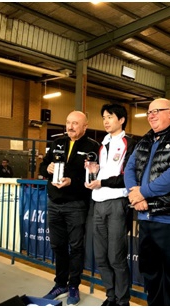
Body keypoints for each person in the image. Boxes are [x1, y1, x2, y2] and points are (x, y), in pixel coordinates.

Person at [124, 98, 170, 306]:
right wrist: (134, 195)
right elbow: (129, 168)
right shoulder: (145, 140)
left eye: (157, 111)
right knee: (151, 276)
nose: (152, 115)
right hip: (145, 219)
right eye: (149, 112)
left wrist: (143, 193)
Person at [39, 111, 100, 306]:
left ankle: (73, 285)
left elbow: (91, 178)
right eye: (68, 122)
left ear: (85, 126)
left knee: (75, 247)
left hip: (76, 205)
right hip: (54, 203)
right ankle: (60, 284)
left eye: (75, 123)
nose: (70, 126)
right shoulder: (57, 142)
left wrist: (72, 182)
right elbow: (42, 167)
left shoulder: (93, 147)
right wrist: (47, 169)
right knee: (57, 246)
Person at [84, 104, 136, 306]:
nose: (106, 121)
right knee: (101, 256)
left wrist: (102, 182)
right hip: (98, 202)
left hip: (117, 203)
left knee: (116, 256)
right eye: (103, 117)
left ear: (122, 120)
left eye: (110, 117)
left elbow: (127, 177)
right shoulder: (102, 143)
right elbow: (103, 172)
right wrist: (94, 171)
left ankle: (123, 300)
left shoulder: (129, 143)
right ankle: (111, 296)